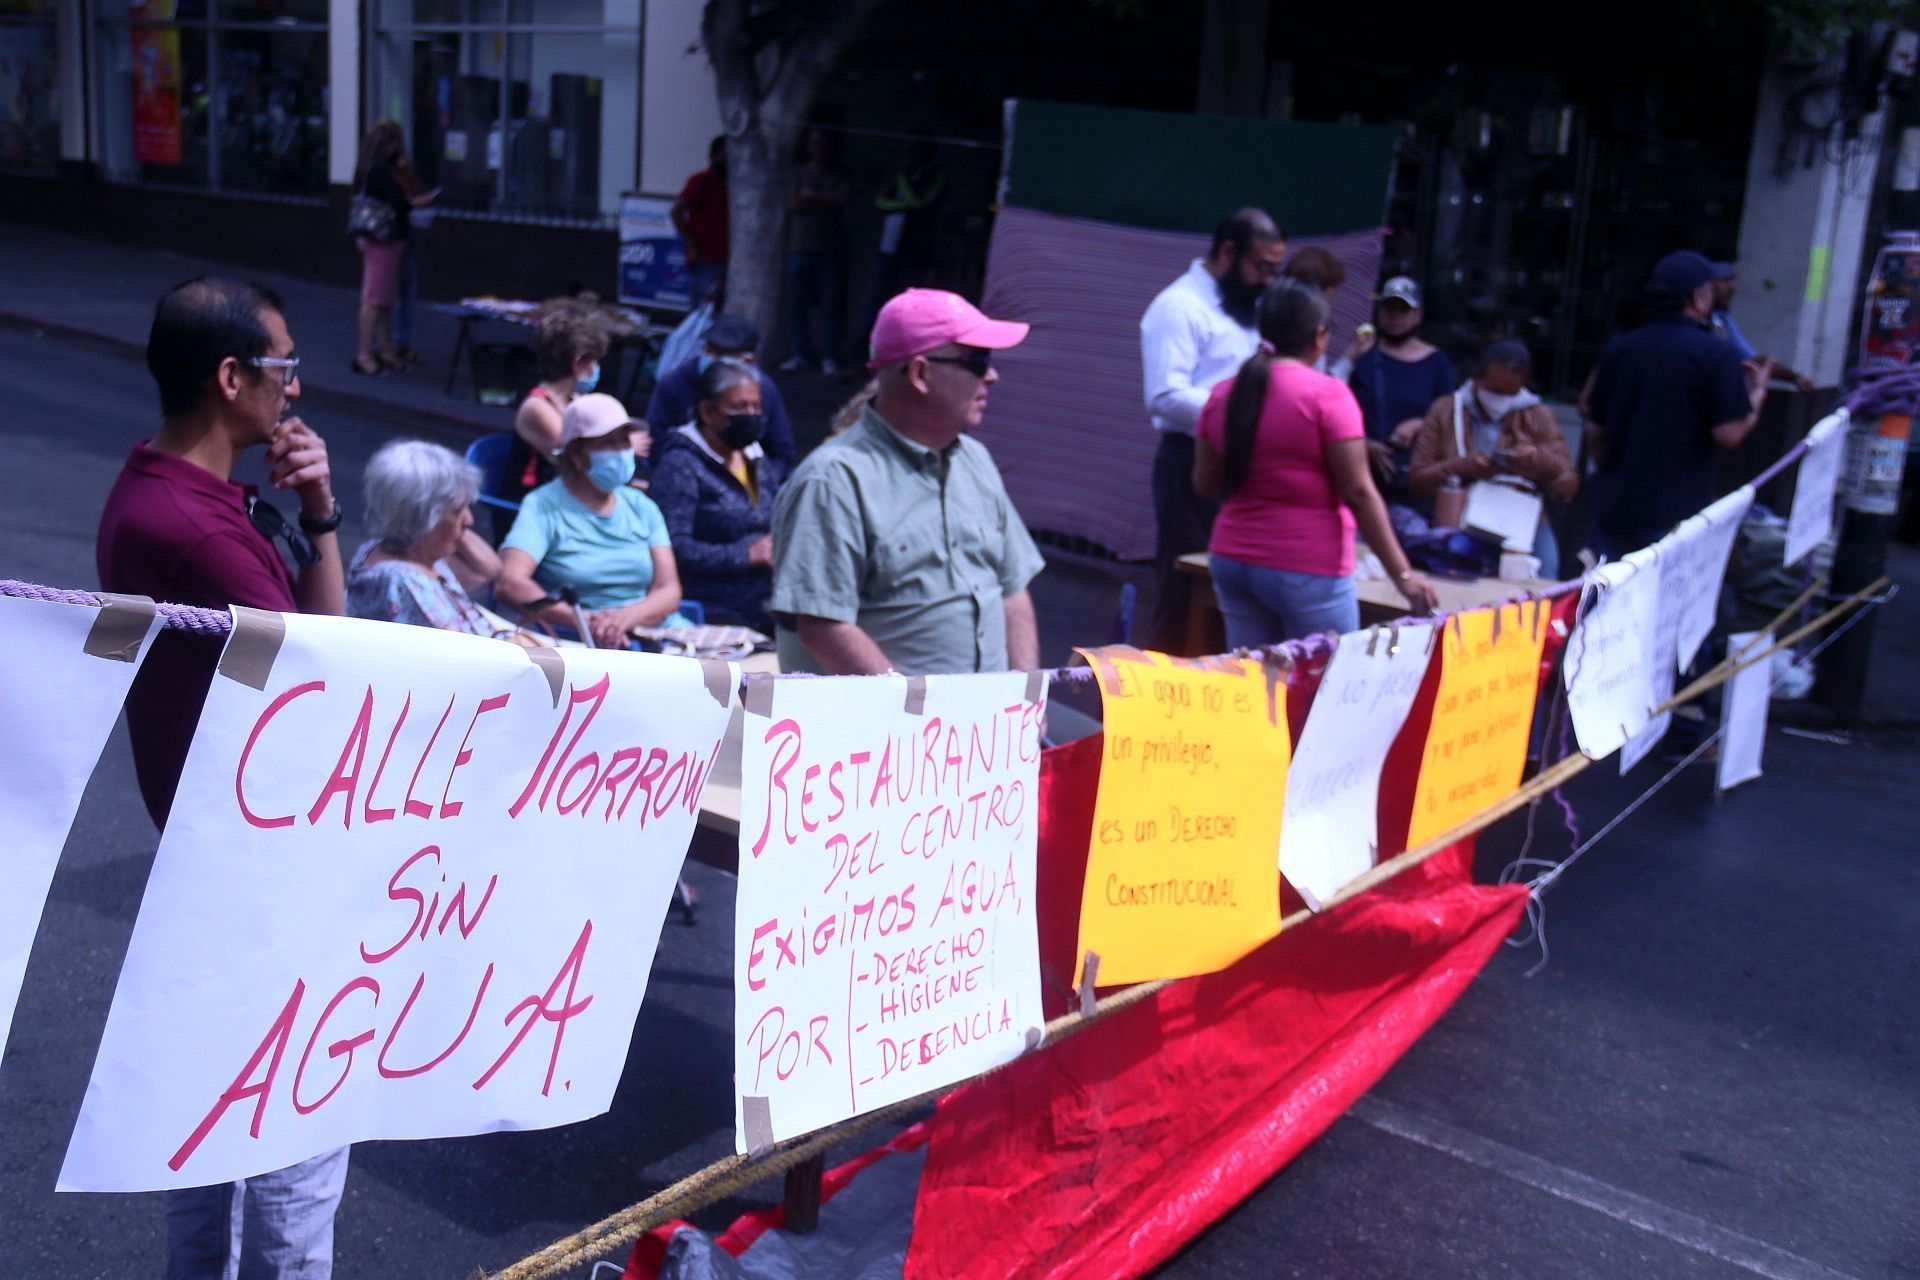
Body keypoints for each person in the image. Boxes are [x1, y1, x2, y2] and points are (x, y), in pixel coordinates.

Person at [95, 278, 350, 1278]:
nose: (296, 391)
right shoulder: (191, 526)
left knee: (211, 1137)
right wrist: (322, 518)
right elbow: (339, 665)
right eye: (285, 370)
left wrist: (317, 509)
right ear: (232, 376)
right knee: (292, 1148)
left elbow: (318, 645)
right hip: (262, 872)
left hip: (220, 852)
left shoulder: (163, 489)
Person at [769, 288, 1042, 674]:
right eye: (977, 361)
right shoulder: (834, 480)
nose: (993, 376)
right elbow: (823, 627)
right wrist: (915, 720)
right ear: (920, 373)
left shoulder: (975, 461)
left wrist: (1027, 698)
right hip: (892, 730)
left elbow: (1013, 590)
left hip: (990, 725)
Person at [1193, 277, 1439, 645]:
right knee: (1323, 693)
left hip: (1233, 561)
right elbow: (1358, 492)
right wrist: (1403, 577)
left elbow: (1204, 484)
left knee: (1253, 689)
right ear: (1319, 335)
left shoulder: (1223, 394)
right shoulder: (1328, 396)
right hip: (1308, 568)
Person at [1139, 207, 1287, 650]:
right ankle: (1162, 697)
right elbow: (1164, 395)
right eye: (1261, 267)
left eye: (1274, 270)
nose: (1267, 280)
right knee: (1185, 585)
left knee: (1230, 591)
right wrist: (1244, 410)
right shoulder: (1179, 307)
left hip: (1239, 467)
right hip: (1189, 464)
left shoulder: (1244, 305)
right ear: (1227, 251)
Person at [1586, 250, 1774, 558]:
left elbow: (1594, 428)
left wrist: (1610, 473)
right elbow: (1730, 434)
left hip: (1617, 504)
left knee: (1610, 595)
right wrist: (1758, 392)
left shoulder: (1620, 350)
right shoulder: (1716, 355)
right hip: (1678, 512)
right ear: (1700, 298)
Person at [497, 392, 685, 647]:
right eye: (608, 444)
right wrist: (585, 621)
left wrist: (626, 618)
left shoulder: (643, 506)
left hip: (660, 637)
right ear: (576, 453)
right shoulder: (543, 506)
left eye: (624, 442)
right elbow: (510, 583)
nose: (620, 453)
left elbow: (669, 589)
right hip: (581, 644)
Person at [1408, 339, 1578, 575]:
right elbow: (1417, 479)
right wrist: (1463, 466)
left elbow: (1568, 485)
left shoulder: (1538, 415)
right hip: (1460, 518)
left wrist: (1537, 460)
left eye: (1512, 393)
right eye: (1496, 391)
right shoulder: (1446, 410)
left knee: (1546, 571)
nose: (1502, 400)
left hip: (1520, 518)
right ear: (1476, 377)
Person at [650, 359, 783, 632]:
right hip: (712, 606)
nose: (751, 415)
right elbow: (676, 548)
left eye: (756, 407)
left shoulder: (754, 457)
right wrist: (744, 555)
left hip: (767, 599)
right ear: (708, 412)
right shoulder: (680, 466)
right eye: (739, 407)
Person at [348, 439, 505, 634]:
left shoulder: (407, 552)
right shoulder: (406, 583)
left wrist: (454, 528)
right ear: (420, 518)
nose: (469, 520)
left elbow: (492, 568)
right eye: (457, 511)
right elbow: (470, 656)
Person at [500, 309, 615, 536]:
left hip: (564, 502)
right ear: (578, 363)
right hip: (528, 514)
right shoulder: (537, 407)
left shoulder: (577, 400)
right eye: (594, 362)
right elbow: (578, 462)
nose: (596, 370)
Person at [644, 314, 797, 468]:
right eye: (711, 350)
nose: (715, 358)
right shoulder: (674, 384)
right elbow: (655, 442)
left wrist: (762, 484)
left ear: (748, 361)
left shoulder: (763, 389)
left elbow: (781, 452)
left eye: (725, 354)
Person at [1348, 276, 1455, 495]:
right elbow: (1339, 408)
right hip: (1365, 475)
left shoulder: (1437, 362)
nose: (1395, 317)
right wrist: (1364, 445)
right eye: (1389, 309)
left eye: (1403, 310)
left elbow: (1451, 418)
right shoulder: (1363, 356)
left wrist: (1420, 424)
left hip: (1416, 476)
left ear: (1418, 315)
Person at [351, 119, 431, 377]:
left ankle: (385, 349)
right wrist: (417, 200)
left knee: (384, 298)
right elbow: (400, 201)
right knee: (374, 299)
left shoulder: (369, 169)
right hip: (382, 241)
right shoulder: (378, 171)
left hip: (384, 240)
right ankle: (364, 353)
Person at [779, 127, 853, 374]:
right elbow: (795, 203)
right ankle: (800, 353)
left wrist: (813, 197)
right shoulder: (798, 173)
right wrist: (823, 199)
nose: (819, 148)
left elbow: (841, 199)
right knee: (797, 304)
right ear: (808, 146)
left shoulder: (839, 173)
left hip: (830, 248)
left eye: (823, 143)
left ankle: (828, 355)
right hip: (799, 247)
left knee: (830, 304)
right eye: (815, 143)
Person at [864, 133, 946, 327]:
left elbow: (920, 202)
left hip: (915, 252)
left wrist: (903, 181)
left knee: (909, 305)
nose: (909, 155)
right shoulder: (902, 176)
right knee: (875, 300)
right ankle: (866, 348)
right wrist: (903, 199)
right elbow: (881, 201)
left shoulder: (935, 175)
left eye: (915, 149)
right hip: (889, 249)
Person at [1711, 263, 1816, 392]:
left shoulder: (1722, 320)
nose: (1732, 287)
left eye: (1732, 280)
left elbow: (1753, 359)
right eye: (1724, 280)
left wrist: (1796, 378)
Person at [1282, 246, 1374, 382]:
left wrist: (1354, 352)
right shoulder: (1287, 329)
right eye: (1330, 291)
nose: (1331, 299)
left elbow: (1320, 383)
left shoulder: (1314, 326)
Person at [672, 135, 729, 304]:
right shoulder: (701, 181)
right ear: (714, 156)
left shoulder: (734, 186)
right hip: (706, 258)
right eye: (724, 156)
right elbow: (676, 211)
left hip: (729, 259)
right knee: (703, 311)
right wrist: (692, 245)